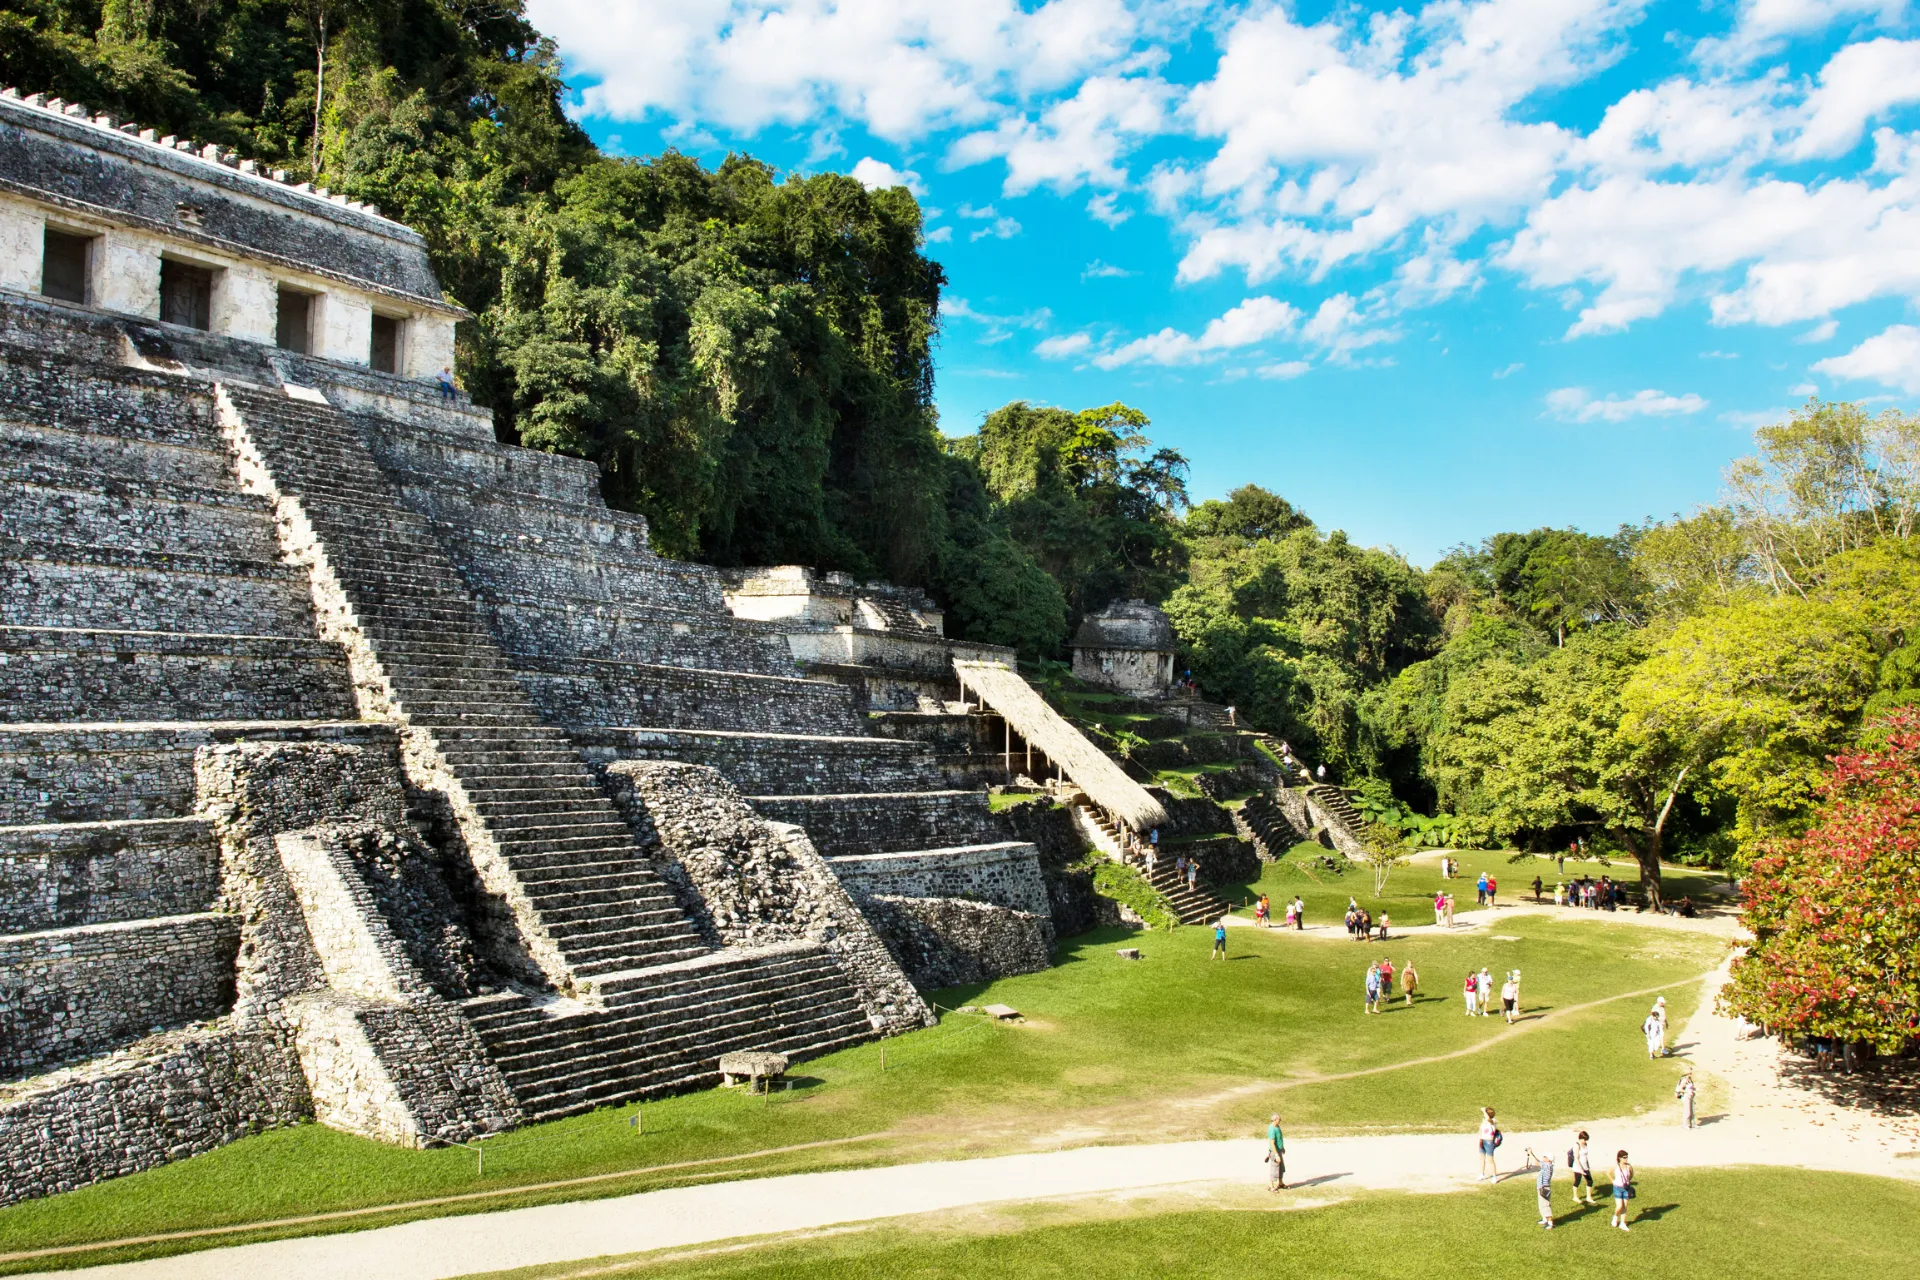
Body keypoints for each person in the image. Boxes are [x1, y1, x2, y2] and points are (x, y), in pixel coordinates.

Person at [1568, 1130, 1597, 1205]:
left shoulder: (1585, 1144)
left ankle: (1589, 1197)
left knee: (1590, 1181)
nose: (1585, 1141)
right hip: (1578, 1167)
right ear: (1580, 1138)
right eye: (1584, 1139)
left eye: (1586, 1139)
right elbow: (1576, 1158)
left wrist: (1587, 1166)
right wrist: (1580, 1169)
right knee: (1577, 1181)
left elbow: (1585, 1156)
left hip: (1585, 1166)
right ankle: (1575, 1196)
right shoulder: (1577, 1145)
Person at [1610, 1150, 1635, 1231]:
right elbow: (1608, 1173)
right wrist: (1612, 1181)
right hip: (1617, 1188)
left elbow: (1631, 1174)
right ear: (1619, 1158)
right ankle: (1615, 1217)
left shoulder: (1629, 1166)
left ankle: (1623, 1223)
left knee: (1625, 1206)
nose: (1626, 1159)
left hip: (1626, 1189)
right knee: (1619, 1206)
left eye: (1627, 1157)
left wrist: (1628, 1181)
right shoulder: (1616, 1166)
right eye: (1624, 1157)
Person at [1532, 1147, 1556, 1228]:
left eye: (1545, 1157)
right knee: (1541, 1205)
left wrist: (1531, 1153)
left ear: (1549, 1159)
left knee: (1545, 1205)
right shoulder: (1547, 1165)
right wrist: (1531, 1153)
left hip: (1544, 1188)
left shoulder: (1547, 1166)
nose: (1543, 1157)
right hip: (1542, 1188)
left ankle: (1550, 1223)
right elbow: (1538, 1161)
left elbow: (1536, 1162)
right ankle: (1545, 1219)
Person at [1477, 1106, 1501, 1180]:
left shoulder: (1493, 1121)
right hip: (1482, 1140)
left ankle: (1494, 1176)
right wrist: (1480, 1138)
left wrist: (1484, 1111)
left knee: (1490, 1159)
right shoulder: (1484, 1121)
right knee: (1482, 1158)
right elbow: (1481, 1129)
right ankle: (1482, 1174)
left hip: (1489, 1142)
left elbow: (1488, 1119)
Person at [1266, 1113, 1287, 1190]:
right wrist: (1276, 1155)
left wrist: (1282, 1147)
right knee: (1274, 1168)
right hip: (1275, 1152)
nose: (1280, 1120)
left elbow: (1279, 1139)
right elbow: (1272, 1143)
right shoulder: (1272, 1129)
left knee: (1281, 1167)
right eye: (1279, 1119)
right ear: (1275, 1120)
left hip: (1279, 1150)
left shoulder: (1277, 1126)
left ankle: (1280, 1183)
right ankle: (1271, 1185)